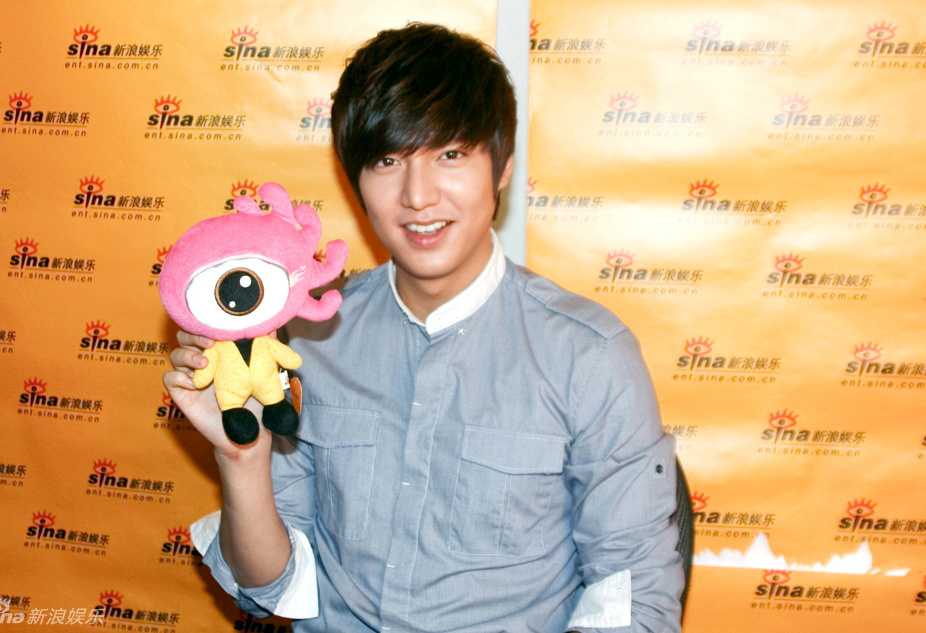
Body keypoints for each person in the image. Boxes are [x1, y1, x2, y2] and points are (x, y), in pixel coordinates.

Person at [164, 22, 683, 633]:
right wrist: (241, 458)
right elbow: (270, 591)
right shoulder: (305, 340)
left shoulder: (588, 355)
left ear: (502, 167)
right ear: (355, 181)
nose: (417, 196)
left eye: (450, 154)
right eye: (388, 161)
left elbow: (631, 600)